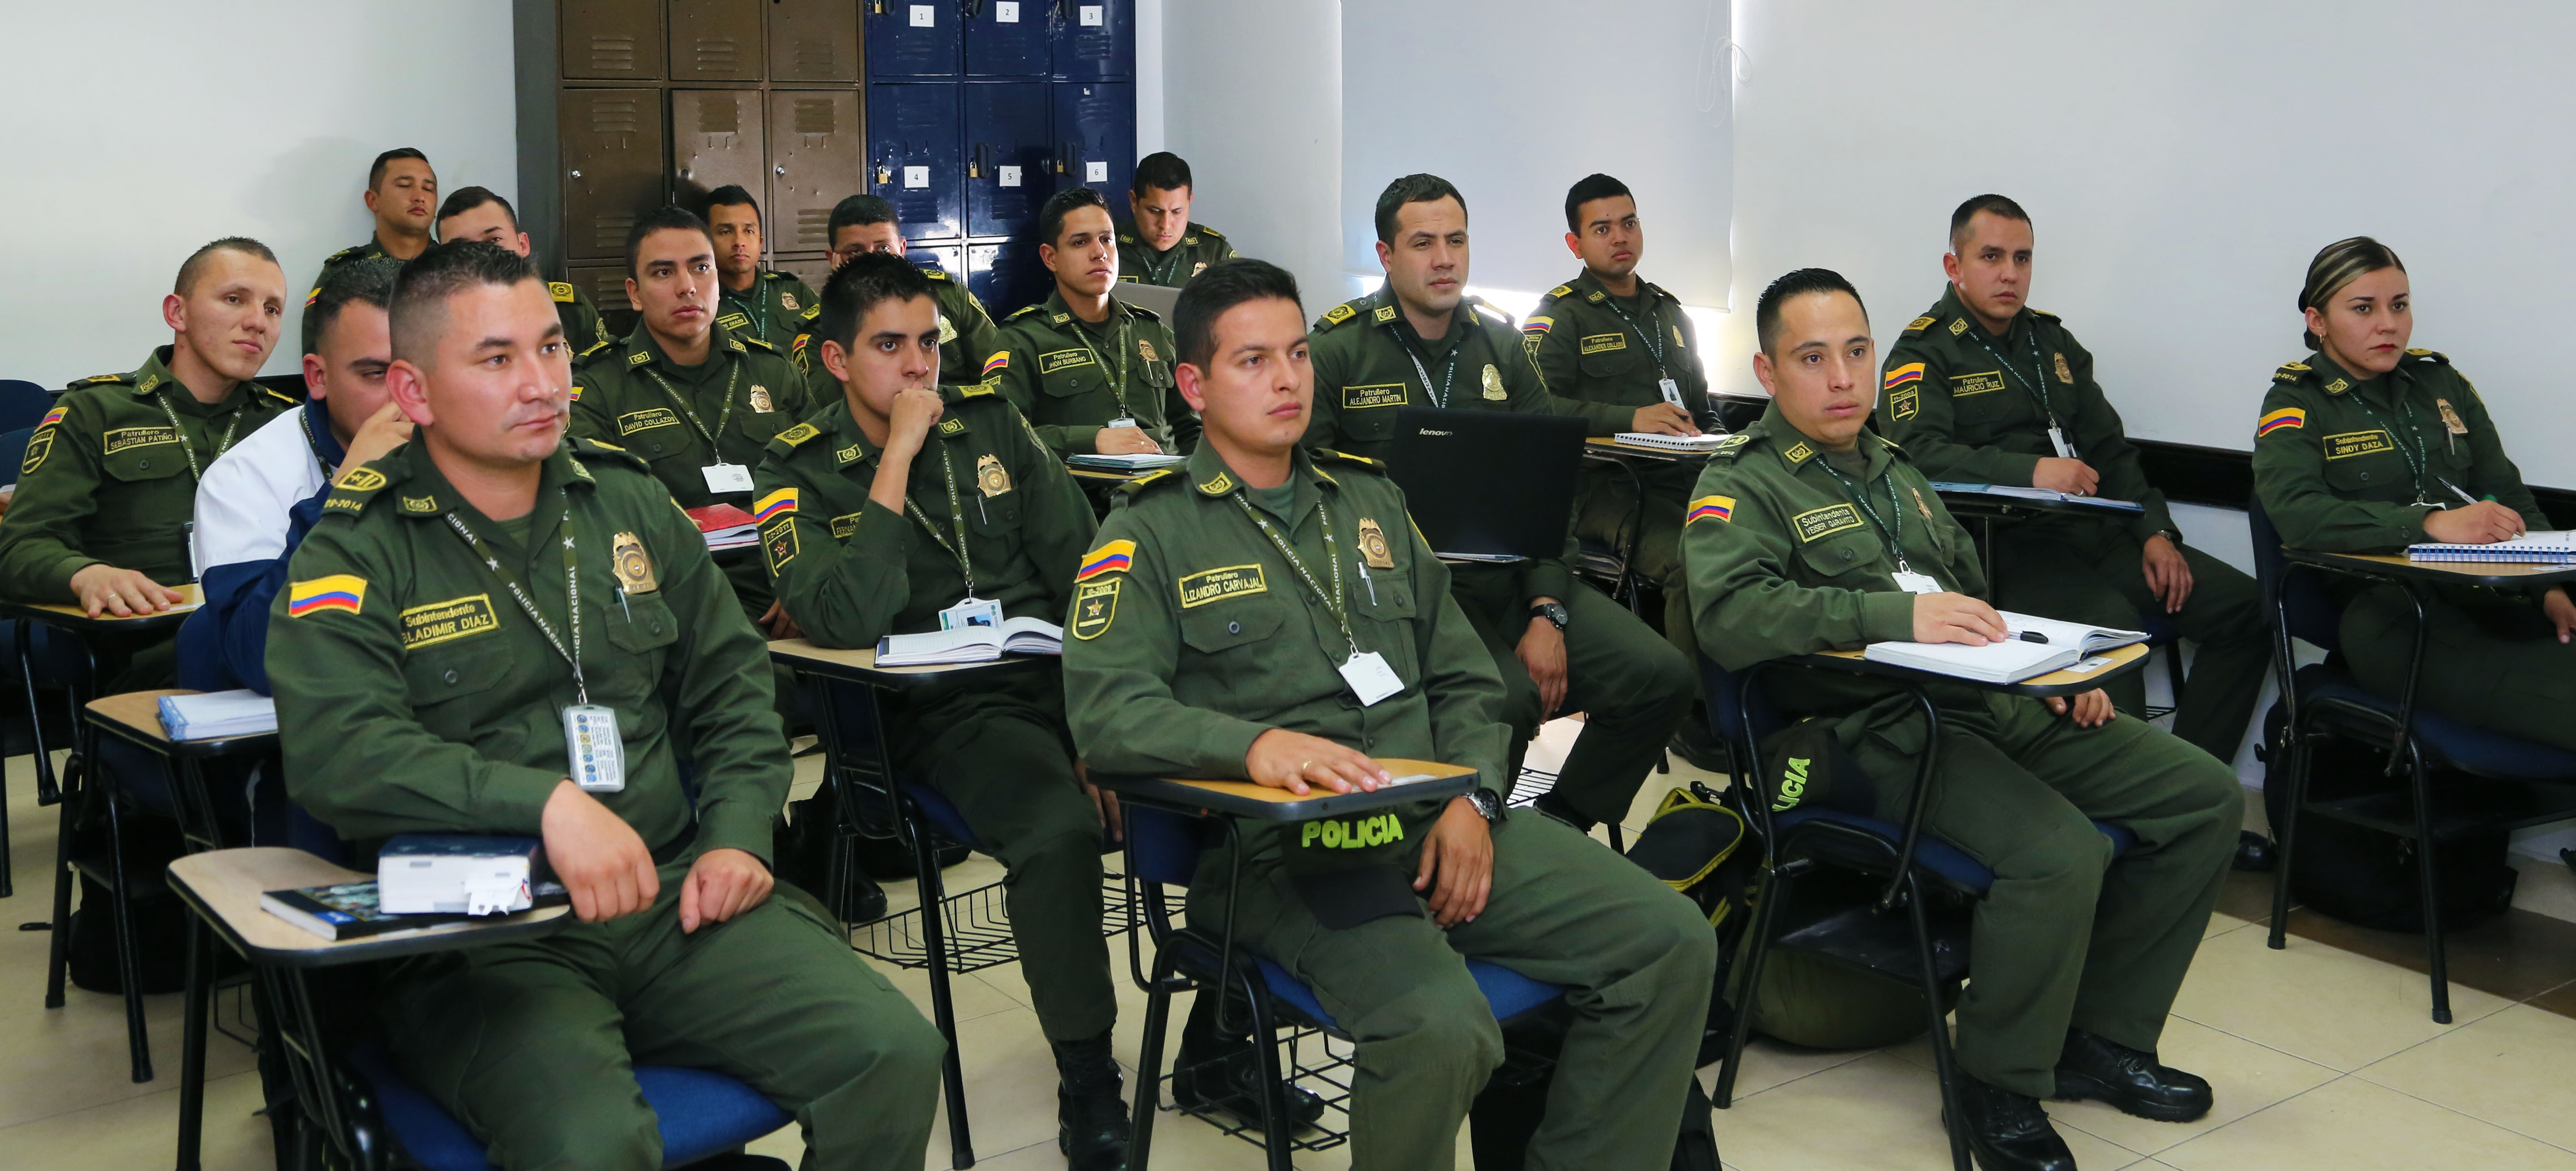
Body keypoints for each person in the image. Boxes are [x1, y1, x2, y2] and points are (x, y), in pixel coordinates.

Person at [269, 240, 943, 1171]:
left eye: (552, 347)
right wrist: (543, 805)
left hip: (676, 898)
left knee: (893, 1055)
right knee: (591, 1144)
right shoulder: (357, 546)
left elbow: (735, 680)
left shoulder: (623, 500)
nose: (542, 381)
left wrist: (741, 832)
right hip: (491, 935)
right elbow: (336, 751)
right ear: (415, 395)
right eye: (497, 359)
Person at [1063, 258, 1716, 1171]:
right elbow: (1107, 714)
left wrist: (1475, 802)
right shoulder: (1148, 534)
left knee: (1671, 943)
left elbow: (1466, 682)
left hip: (1434, 812)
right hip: (1289, 853)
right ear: (1193, 384)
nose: (1288, 379)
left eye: (1296, 354)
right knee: (1441, 1029)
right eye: (1252, 361)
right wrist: (1252, 745)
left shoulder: (1370, 501)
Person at [1688, 267, 2239, 1171]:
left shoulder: (1897, 471)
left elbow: (1971, 599)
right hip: (1871, 730)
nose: (1842, 379)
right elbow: (1732, 616)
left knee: (2204, 797)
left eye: (1857, 353)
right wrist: (1889, 617)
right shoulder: (1743, 483)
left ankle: (2094, 1036)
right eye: (1813, 357)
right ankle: (1998, 1078)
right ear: (1768, 369)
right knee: (2058, 852)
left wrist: (2048, 670)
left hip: (1983, 702)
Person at [753, 252, 1129, 1171]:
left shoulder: (995, 421)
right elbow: (845, 616)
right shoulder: (793, 468)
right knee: (1054, 830)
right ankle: (1089, 1079)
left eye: (928, 342)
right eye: (890, 347)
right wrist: (896, 459)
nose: (920, 366)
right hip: (939, 711)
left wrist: (1103, 727)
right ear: (838, 361)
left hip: (1052, 677)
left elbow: (1088, 575)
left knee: (1220, 787)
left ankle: (1222, 1031)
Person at [1306, 173, 1689, 833]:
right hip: (1405, 596)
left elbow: (1553, 488)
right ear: (1385, 255)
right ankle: (1470, 841)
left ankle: (1560, 823)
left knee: (1662, 676)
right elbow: (1308, 491)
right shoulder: (1338, 350)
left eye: (1456, 240)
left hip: (1511, 578)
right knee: (1504, 699)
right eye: (1423, 243)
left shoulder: (1503, 347)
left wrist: (1548, 609)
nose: (1444, 258)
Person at [1881, 195, 2268, 763]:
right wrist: (2030, 470)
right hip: (2009, 547)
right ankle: (2140, 809)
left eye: (2023, 258)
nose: (2010, 274)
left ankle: (2193, 784)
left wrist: (2158, 534)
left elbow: (2111, 450)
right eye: (1991, 256)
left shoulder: (2052, 343)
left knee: (2247, 608)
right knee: (2108, 631)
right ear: (1953, 266)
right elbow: (1917, 456)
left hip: (2097, 533)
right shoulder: (1924, 351)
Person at [2254, 236, 2576, 749]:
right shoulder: (2297, 401)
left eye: (2400, 305)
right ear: (2318, 321)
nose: (2389, 323)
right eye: (2364, 308)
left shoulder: (2440, 383)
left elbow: (2505, 491)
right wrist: (2428, 524)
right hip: (2395, 619)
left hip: (2490, 601)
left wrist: (2550, 587)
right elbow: (2297, 514)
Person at [0, 237, 299, 687]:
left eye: (273, 309)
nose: (258, 322)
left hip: (270, 631)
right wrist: (86, 574)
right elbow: (20, 546)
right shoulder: (94, 411)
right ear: (177, 313)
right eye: (235, 299)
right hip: (149, 650)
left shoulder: (287, 422)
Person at [1526, 173, 1724, 766]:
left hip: (1683, 477)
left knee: (1748, 541)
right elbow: (1534, 410)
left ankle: (1760, 689)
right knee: (1695, 558)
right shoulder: (1559, 318)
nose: (1620, 237)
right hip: (1604, 488)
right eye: (1602, 228)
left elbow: (1702, 404)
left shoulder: (1670, 312)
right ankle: (1694, 712)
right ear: (1575, 243)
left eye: (1629, 222)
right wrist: (1627, 417)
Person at [572, 206, 809, 635]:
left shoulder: (773, 372)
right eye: (663, 274)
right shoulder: (600, 388)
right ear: (635, 292)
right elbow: (595, 518)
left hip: (780, 585)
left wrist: (808, 577)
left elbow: (826, 482)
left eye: (701, 268)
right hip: (670, 599)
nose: (687, 287)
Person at [187, 258, 413, 693]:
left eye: (419, 371)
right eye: (376, 374)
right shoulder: (244, 479)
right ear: (318, 377)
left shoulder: (468, 447)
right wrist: (346, 493)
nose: (404, 398)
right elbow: (259, 656)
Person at [989, 187, 1194, 461]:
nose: (1100, 253)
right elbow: (1000, 433)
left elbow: (1190, 428)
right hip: (1086, 497)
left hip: (1164, 490)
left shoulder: (1154, 333)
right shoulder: (1022, 340)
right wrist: (1091, 440)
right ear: (1051, 258)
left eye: (1107, 239)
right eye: (1080, 243)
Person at [787, 194, 1001, 393]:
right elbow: (829, 411)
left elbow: (996, 379)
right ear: (832, 258)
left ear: (902, 249)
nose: (872, 261)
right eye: (855, 252)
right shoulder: (817, 331)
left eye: (883, 249)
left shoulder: (949, 297)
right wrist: (848, 307)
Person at [436, 185, 611, 350]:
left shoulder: (571, 310)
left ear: (523, 244)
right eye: (462, 248)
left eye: (494, 240)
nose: (481, 255)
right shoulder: (433, 324)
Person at [300, 147, 437, 355]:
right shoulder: (343, 272)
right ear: (373, 200)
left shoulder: (459, 268)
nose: (419, 197)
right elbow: (318, 359)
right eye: (405, 186)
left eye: (428, 189)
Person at [706, 184, 820, 348]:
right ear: (706, 243)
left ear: (761, 243)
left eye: (749, 231)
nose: (740, 242)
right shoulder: (702, 304)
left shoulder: (792, 289)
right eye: (726, 232)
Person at [1116, 152, 1237, 288]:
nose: (1166, 226)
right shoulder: (1108, 250)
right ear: (1134, 202)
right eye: (1155, 211)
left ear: (1189, 202)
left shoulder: (1216, 252)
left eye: (1177, 212)